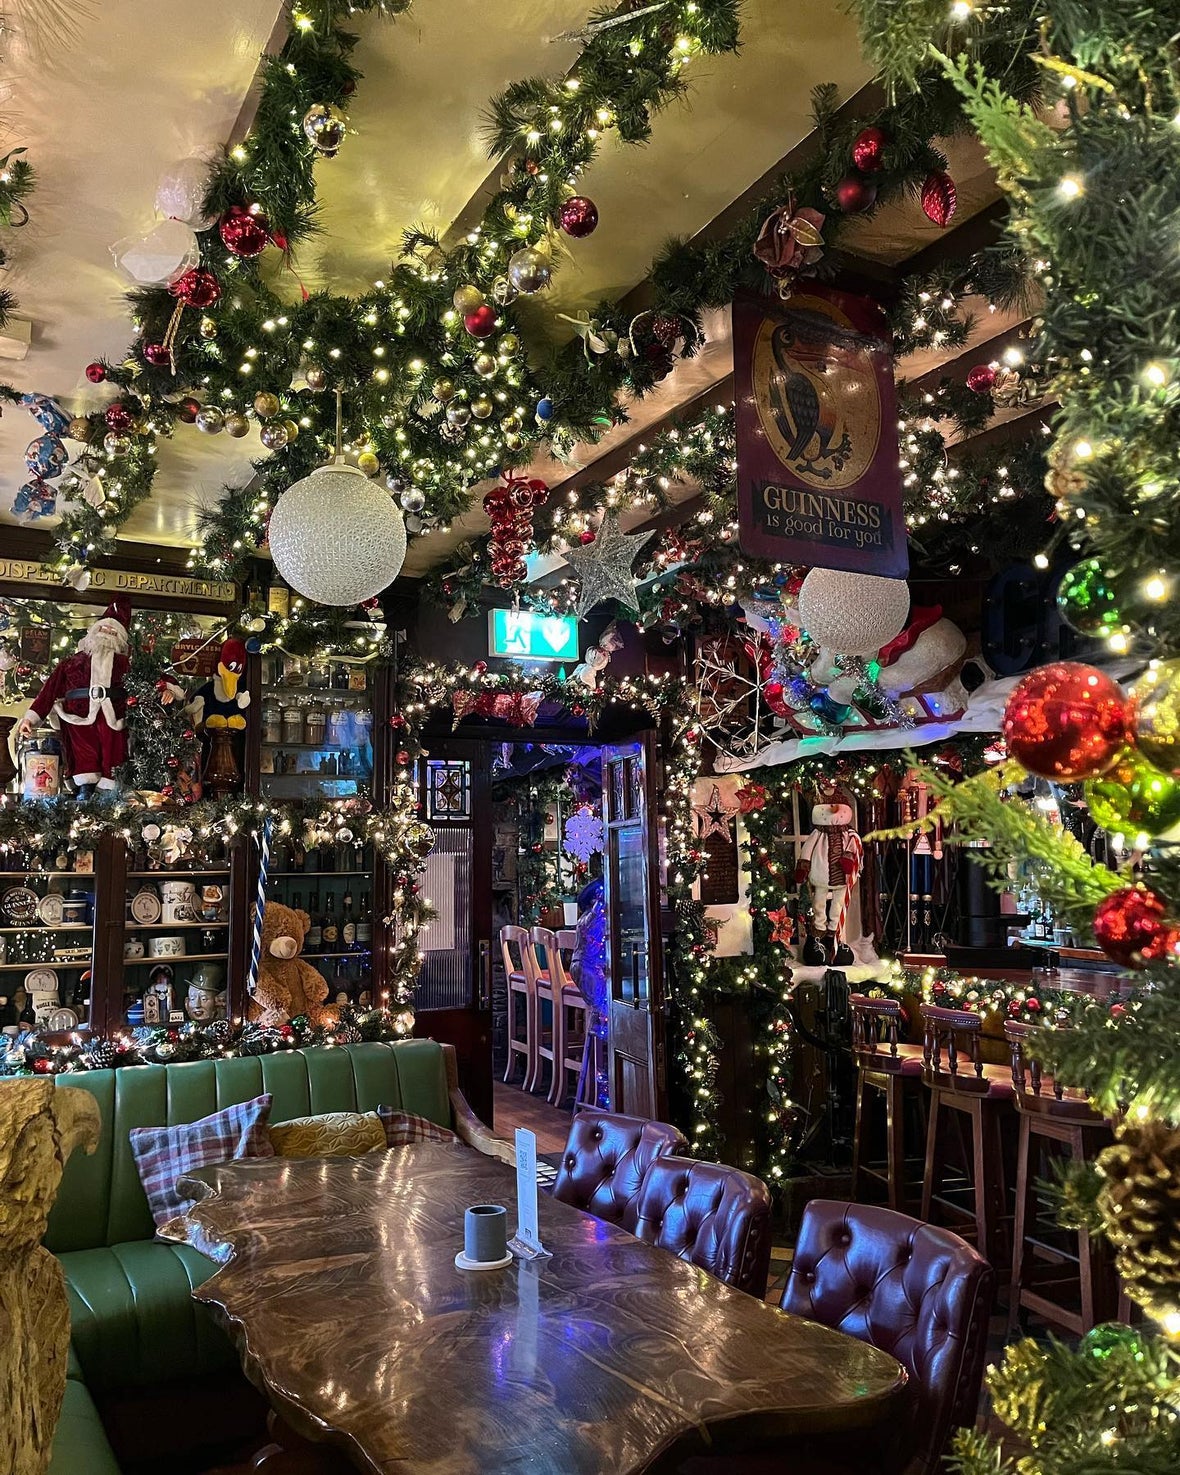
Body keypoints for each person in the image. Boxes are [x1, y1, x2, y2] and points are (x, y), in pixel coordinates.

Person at [569, 876, 608, 1107]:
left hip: (583, 968)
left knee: (599, 1016)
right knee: (604, 1018)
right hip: (589, 971)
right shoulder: (594, 915)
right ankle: (602, 1087)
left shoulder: (587, 917)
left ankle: (596, 1085)